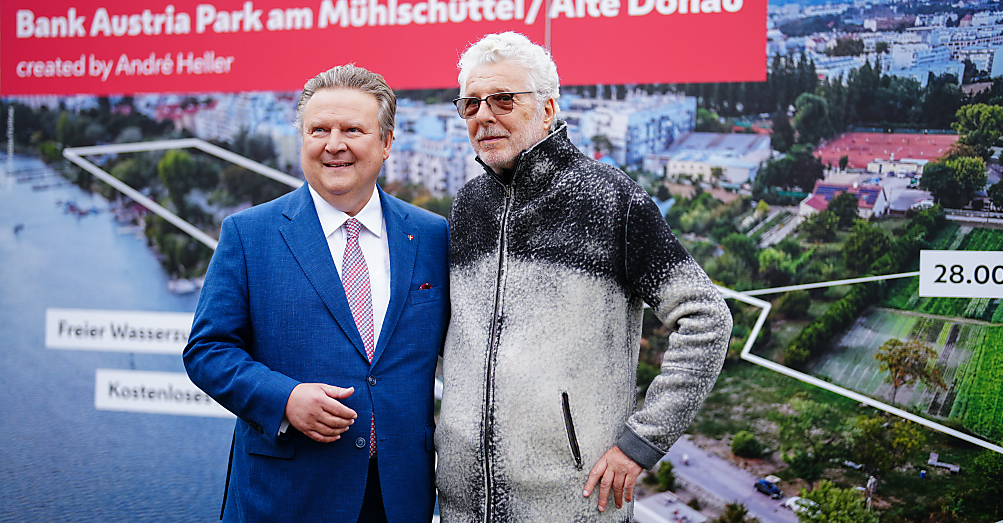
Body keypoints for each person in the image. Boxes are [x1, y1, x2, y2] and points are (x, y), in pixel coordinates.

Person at [434, 32, 732, 522]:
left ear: (548, 108)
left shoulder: (610, 199)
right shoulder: (468, 206)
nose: (484, 116)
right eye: (470, 104)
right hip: (464, 499)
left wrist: (642, 443)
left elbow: (706, 318)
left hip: (571, 502)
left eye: (504, 100)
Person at [183, 64, 449, 523]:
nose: (334, 144)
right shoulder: (249, 234)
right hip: (285, 498)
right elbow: (207, 350)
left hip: (399, 497)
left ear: (387, 143)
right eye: (318, 130)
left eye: (352, 129)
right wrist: (284, 399)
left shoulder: (431, 235)